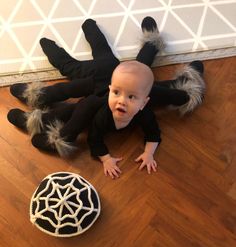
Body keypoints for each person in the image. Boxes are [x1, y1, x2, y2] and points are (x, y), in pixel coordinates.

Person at [7, 17, 205, 178]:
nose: (121, 101)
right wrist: (105, 158)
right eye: (117, 93)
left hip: (119, 78)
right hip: (97, 76)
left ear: (146, 102)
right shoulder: (99, 110)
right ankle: (34, 97)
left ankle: (151, 42)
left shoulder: (144, 111)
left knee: (139, 70)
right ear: (111, 89)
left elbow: (154, 131)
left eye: (132, 97)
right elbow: (91, 135)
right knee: (74, 67)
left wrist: (148, 153)